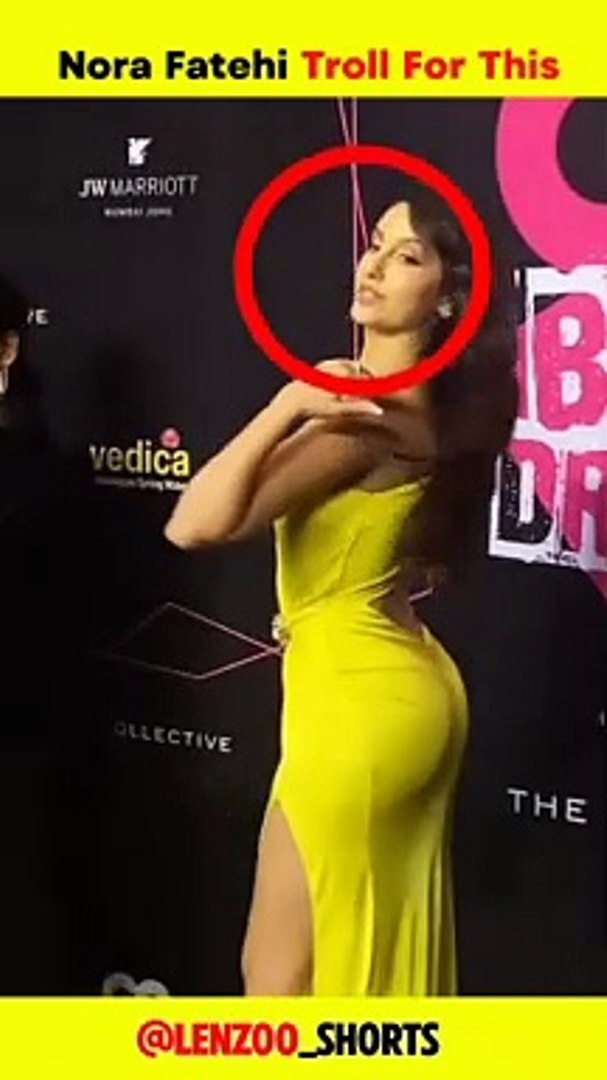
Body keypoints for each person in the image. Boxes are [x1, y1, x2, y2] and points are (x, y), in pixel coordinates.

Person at [163, 194, 519, 996]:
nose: (374, 266)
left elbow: (194, 523)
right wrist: (317, 610)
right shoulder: (424, 410)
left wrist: (289, 401)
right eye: (375, 243)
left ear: (447, 299)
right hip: (400, 685)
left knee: (277, 983)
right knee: (358, 968)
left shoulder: (362, 420)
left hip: (356, 709)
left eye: (407, 257)